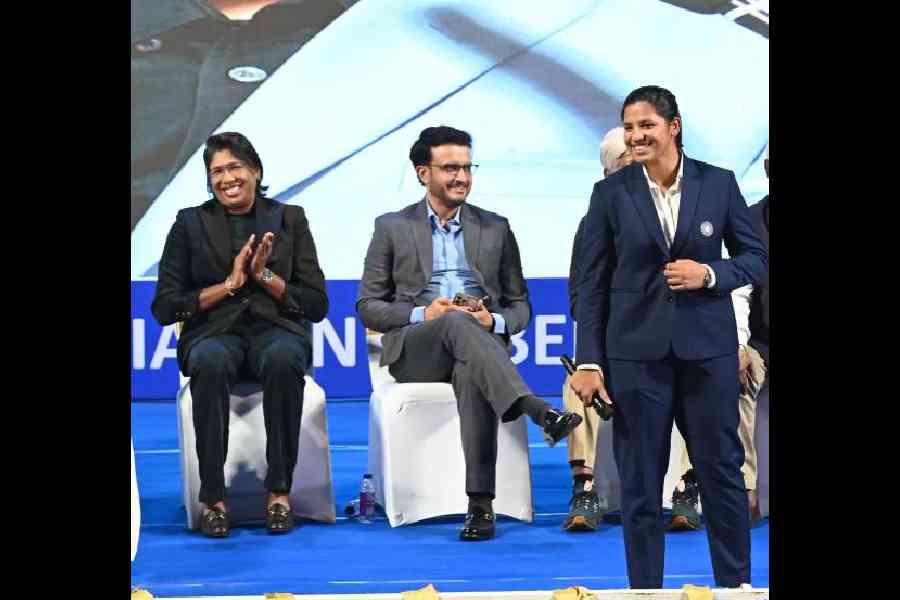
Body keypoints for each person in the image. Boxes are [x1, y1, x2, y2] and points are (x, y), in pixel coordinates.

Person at [569, 86, 767, 588]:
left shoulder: (718, 184)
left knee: (721, 476)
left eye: (646, 126)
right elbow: (591, 285)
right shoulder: (610, 194)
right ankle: (645, 591)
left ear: (673, 126)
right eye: (629, 127)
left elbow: (756, 258)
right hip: (636, 358)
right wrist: (589, 360)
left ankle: (735, 588)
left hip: (708, 354)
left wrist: (710, 275)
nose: (635, 136)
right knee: (639, 484)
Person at [357, 125, 583, 541]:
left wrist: (492, 321)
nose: (461, 177)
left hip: (475, 346)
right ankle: (536, 408)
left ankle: (480, 505)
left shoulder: (495, 228)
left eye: (466, 167)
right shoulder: (391, 226)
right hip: (416, 351)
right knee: (452, 321)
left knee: (469, 367)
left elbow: (520, 306)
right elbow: (367, 306)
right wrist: (424, 313)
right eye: (450, 168)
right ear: (423, 172)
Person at [151, 132, 329, 538]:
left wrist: (264, 277)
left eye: (235, 167)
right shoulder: (189, 223)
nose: (226, 178)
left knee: (285, 359)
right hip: (214, 334)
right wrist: (229, 285)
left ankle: (279, 493)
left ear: (256, 171)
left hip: (276, 330)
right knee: (210, 361)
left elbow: (317, 304)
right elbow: (165, 306)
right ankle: (213, 499)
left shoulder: (290, 219)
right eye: (217, 171)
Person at [561, 127, 633, 531]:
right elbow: (580, 302)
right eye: (626, 166)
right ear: (607, 175)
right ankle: (584, 485)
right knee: (581, 379)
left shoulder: (676, 214)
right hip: (613, 341)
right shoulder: (592, 226)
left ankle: (686, 485)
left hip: (665, 341)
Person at [667, 284, 767, 530]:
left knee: (734, 373)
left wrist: (739, 346)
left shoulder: (751, 249)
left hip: (753, 344)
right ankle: (690, 482)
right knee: (711, 374)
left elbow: (739, 293)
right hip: (698, 341)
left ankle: (743, 485)